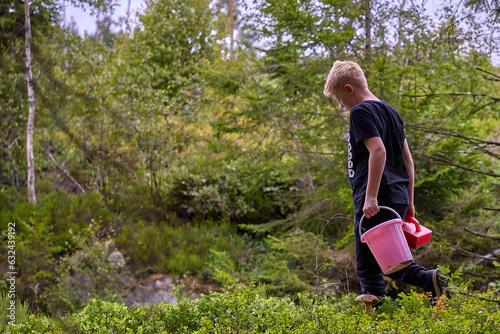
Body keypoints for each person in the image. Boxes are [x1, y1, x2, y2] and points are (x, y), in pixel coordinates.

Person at [323, 60, 449, 303]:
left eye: (340, 99)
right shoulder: (392, 112)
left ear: (349, 89)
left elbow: (378, 151)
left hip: (376, 202)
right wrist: (409, 203)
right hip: (397, 198)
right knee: (385, 262)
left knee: (374, 268)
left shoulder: (360, 111)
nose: (341, 105)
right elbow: (408, 161)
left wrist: (370, 197)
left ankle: (428, 281)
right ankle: (425, 286)